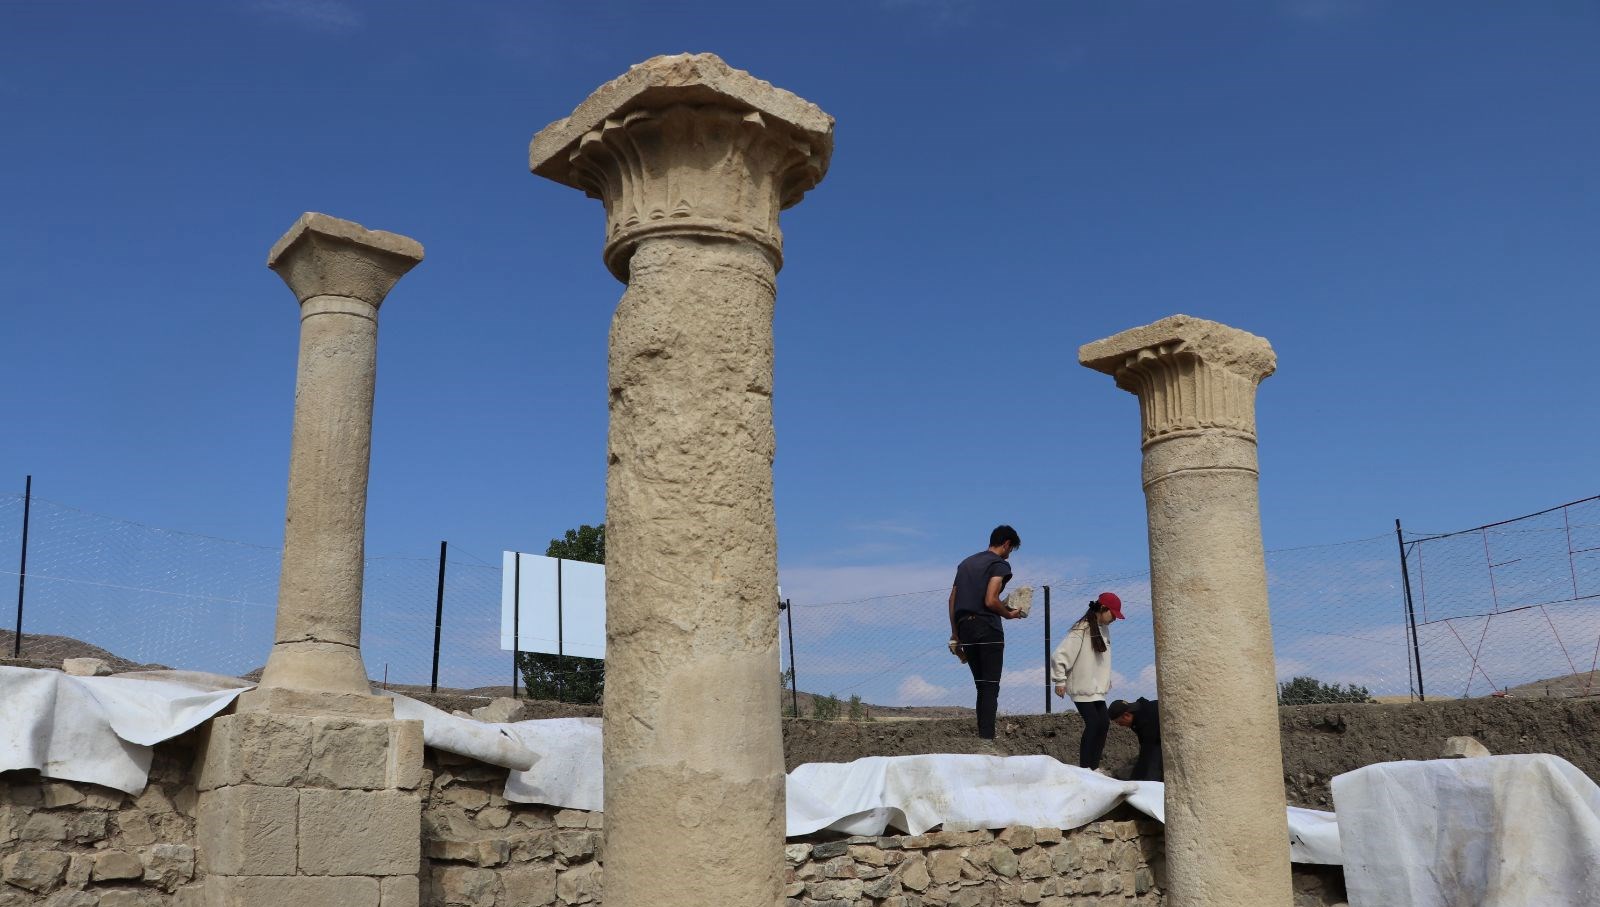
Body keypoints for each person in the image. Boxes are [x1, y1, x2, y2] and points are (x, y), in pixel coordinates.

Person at [948, 525, 1025, 741]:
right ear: (1007, 544)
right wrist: (1009, 614)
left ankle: (983, 738)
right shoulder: (999, 564)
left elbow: (952, 600)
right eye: (1011, 549)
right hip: (987, 628)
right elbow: (990, 600)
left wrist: (956, 633)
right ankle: (987, 741)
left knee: (981, 686)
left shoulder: (965, 564)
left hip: (965, 627)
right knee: (990, 686)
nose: (1010, 554)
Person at [1050, 592, 1124, 773]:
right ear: (1103, 609)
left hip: (1096, 687)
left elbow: (1100, 660)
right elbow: (1060, 655)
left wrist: (1105, 679)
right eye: (1113, 614)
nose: (1115, 618)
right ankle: (1085, 769)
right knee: (1093, 723)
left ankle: (1094, 767)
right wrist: (1059, 680)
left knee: (1103, 723)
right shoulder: (1081, 629)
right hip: (1082, 687)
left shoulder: (1103, 629)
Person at [1109, 697, 1162, 782]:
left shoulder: (1146, 719)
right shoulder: (1137, 715)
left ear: (1126, 715)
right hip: (1159, 738)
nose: (1119, 725)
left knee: (1151, 766)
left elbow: (1147, 752)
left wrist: (1134, 781)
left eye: (1119, 722)